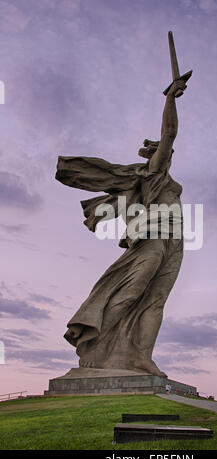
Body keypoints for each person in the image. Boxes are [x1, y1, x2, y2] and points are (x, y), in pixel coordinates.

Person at [55, 80, 187, 378]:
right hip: (152, 238)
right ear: (154, 155)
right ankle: (94, 344)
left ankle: (143, 358)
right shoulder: (154, 172)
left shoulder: (164, 180)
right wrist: (170, 98)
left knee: (156, 301)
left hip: (175, 240)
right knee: (130, 292)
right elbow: (169, 133)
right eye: (161, 151)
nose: (167, 153)